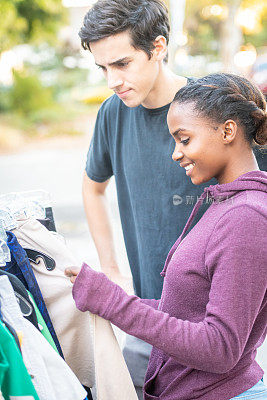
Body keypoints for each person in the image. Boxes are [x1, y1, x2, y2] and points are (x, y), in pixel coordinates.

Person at [78, 0, 266, 395]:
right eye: (103, 68)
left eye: (122, 63)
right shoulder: (112, 114)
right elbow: (92, 187)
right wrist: (112, 272)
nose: (112, 79)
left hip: (211, 326)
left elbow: (255, 217)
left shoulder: (211, 110)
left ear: (158, 47)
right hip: (148, 312)